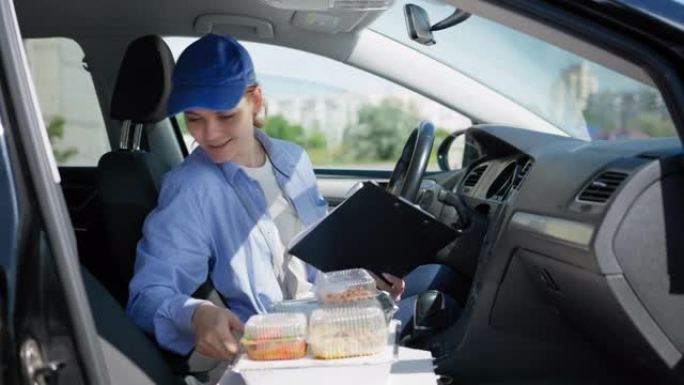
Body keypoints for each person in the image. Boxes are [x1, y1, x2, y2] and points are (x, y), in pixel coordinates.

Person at [126, 33, 460, 362]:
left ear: (255, 100)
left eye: (226, 116)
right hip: (281, 350)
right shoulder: (192, 187)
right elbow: (147, 297)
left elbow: (316, 264)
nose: (209, 134)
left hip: (334, 322)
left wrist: (361, 282)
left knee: (445, 292)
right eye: (194, 119)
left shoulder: (293, 158)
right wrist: (196, 314)